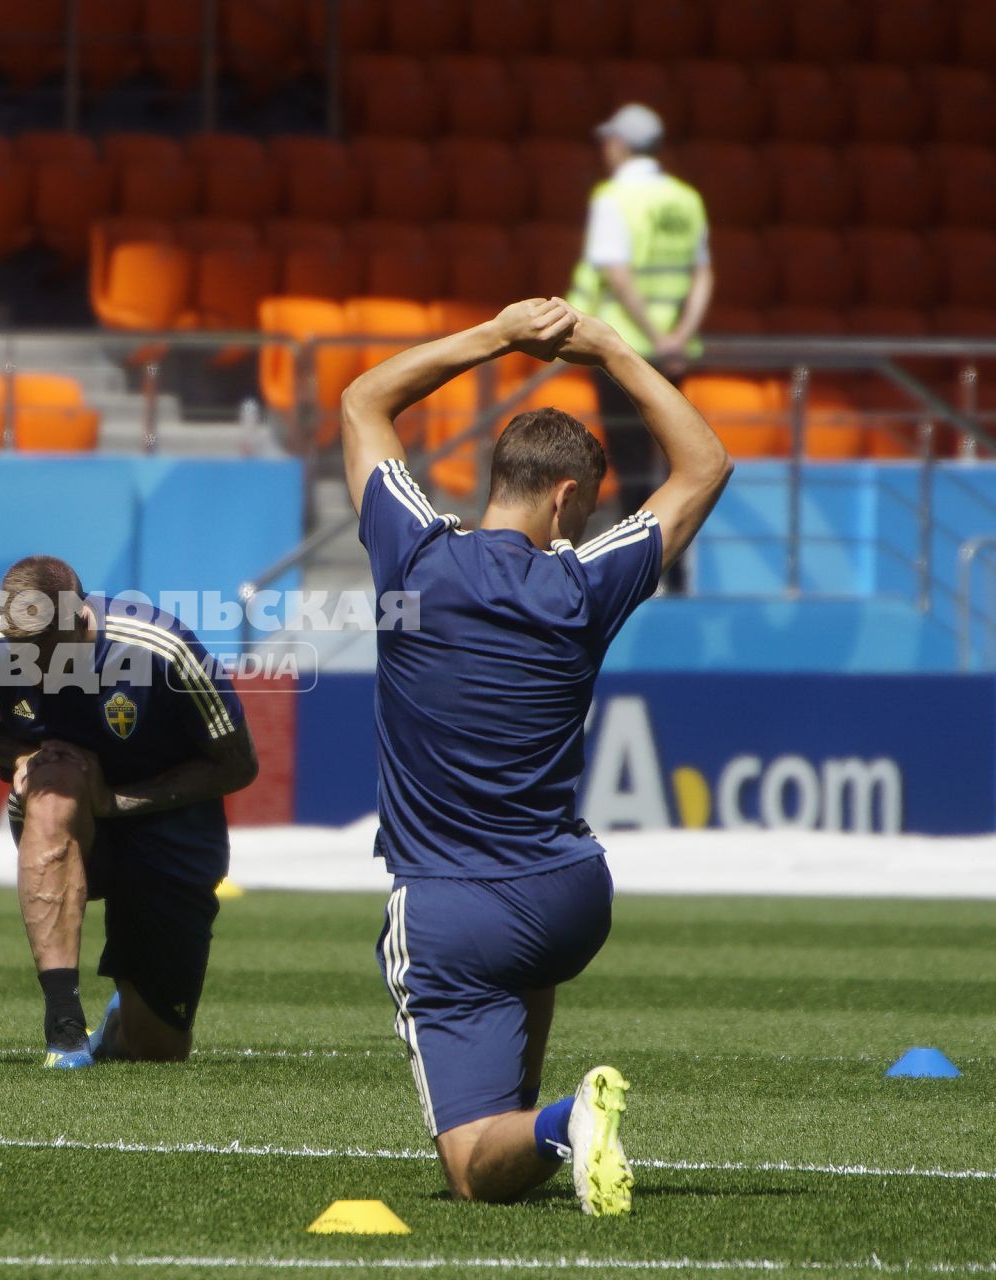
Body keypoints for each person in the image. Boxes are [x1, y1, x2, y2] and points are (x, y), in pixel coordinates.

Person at [340, 297, 731, 1215]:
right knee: (503, 1099)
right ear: (565, 499)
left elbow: (363, 400)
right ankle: (537, 1121)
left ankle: (555, 1124)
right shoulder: (583, 585)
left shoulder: (413, 559)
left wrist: (498, 338)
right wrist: (607, 347)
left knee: (473, 1173)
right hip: (569, 896)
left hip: (453, 905)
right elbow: (705, 463)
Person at [0, 557, 259, 1068]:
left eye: (47, 655)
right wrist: (18, 757)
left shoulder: (161, 647)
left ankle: (122, 1017)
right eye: (23, 655)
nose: (33, 670)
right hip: (61, 808)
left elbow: (238, 765)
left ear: (80, 619)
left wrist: (116, 801)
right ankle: (64, 1031)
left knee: (157, 1050)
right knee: (54, 783)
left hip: (167, 826)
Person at [567, 103, 713, 589]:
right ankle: (675, 572)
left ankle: (638, 576)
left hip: (623, 351)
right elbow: (703, 276)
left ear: (621, 146)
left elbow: (617, 274)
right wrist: (677, 337)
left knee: (630, 466)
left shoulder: (614, 198)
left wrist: (650, 338)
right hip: (673, 353)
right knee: (671, 459)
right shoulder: (686, 199)